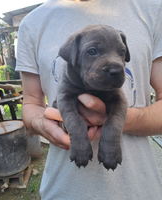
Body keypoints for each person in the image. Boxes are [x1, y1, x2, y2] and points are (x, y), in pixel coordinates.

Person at [15, 0, 162, 199]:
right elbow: (32, 102)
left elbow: (119, 102)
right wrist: (43, 124)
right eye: (92, 52)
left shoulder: (152, 9)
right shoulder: (32, 23)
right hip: (63, 190)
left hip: (140, 189)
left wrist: (111, 132)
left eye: (120, 53)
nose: (116, 65)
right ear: (72, 55)